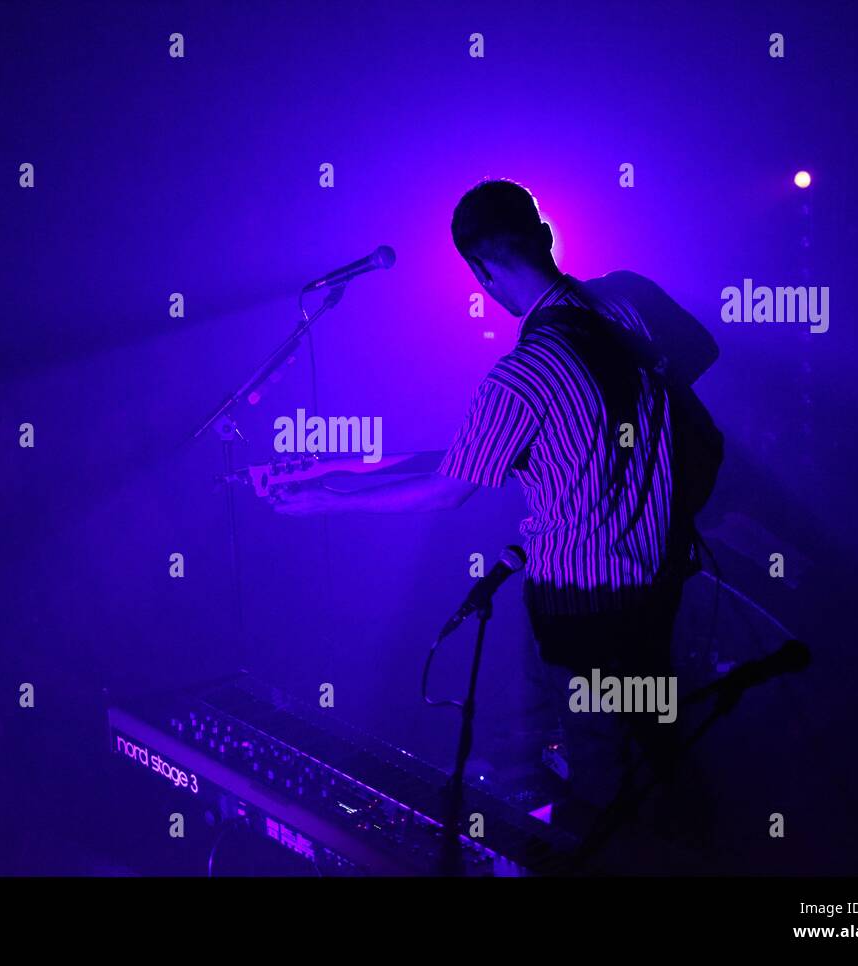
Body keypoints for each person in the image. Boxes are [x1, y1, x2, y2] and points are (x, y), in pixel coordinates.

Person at [272, 179, 720, 851]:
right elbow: (697, 358)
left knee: (600, 782)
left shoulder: (521, 375)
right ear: (543, 232)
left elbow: (449, 490)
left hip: (583, 610)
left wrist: (323, 500)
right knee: (658, 752)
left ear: (479, 271)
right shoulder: (632, 297)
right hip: (656, 587)